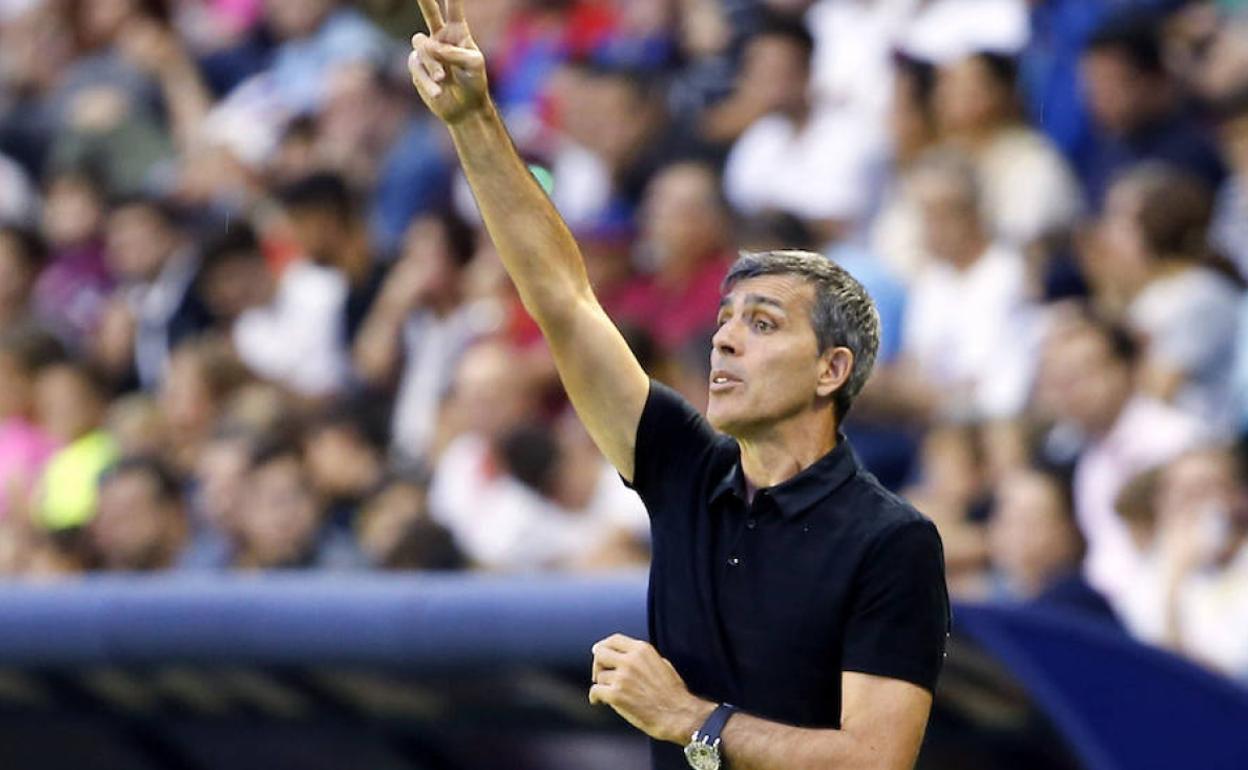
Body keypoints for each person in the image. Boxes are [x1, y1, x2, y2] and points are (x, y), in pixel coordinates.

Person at [408, 4, 950, 769]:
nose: (724, 339)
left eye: (763, 324)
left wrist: (692, 719)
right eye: (724, 320)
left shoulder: (891, 541)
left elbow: (875, 760)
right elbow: (563, 299)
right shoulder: (686, 470)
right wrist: (474, 121)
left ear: (831, 370)